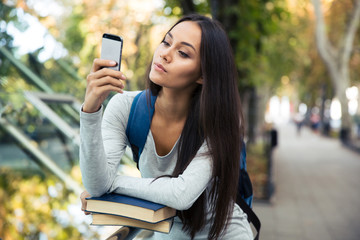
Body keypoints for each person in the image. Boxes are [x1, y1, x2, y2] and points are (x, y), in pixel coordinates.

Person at [79, 14, 253, 240]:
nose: (165, 54)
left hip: (224, 234)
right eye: (166, 42)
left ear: (202, 74)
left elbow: (182, 194)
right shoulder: (124, 107)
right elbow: (95, 183)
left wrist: (111, 182)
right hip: (167, 234)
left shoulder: (220, 120)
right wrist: (91, 110)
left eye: (183, 53)